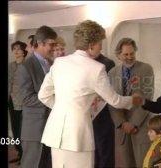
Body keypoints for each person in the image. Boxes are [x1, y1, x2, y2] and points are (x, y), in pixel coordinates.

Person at [37, 20, 137, 168]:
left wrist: (63, 108)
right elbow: (114, 100)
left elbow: (43, 95)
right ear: (91, 45)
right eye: (99, 43)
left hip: (55, 131)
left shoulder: (59, 63)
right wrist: (133, 100)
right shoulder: (97, 68)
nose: (100, 47)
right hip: (78, 133)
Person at [108, 37, 155, 167]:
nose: (129, 57)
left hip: (140, 126)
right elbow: (111, 100)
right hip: (121, 128)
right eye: (126, 54)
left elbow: (147, 97)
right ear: (118, 55)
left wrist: (133, 123)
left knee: (142, 163)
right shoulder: (112, 73)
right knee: (124, 163)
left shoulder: (146, 69)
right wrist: (122, 123)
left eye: (132, 53)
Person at [15, 25, 57, 168]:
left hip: (51, 127)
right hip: (34, 129)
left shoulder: (52, 64)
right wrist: (53, 100)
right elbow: (25, 98)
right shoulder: (25, 67)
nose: (54, 48)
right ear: (39, 43)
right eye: (51, 44)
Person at [91, 53, 116, 168]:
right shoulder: (81, 63)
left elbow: (111, 92)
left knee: (104, 152)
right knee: (92, 154)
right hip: (87, 116)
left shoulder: (107, 64)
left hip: (103, 115)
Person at [8, 40, 28, 165]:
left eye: (19, 48)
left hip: (24, 102)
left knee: (23, 130)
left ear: (24, 51)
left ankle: (26, 155)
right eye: (14, 48)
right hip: (11, 102)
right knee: (15, 130)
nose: (16, 51)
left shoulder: (27, 65)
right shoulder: (10, 65)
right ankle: (19, 153)